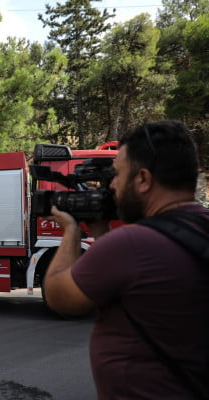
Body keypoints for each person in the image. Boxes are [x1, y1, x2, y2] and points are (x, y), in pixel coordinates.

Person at [44, 120, 209, 399]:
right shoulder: (199, 229)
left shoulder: (132, 244)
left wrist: (71, 230)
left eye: (118, 174)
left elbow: (59, 297)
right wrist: (102, 233)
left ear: (143, 179)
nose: (113, 186)